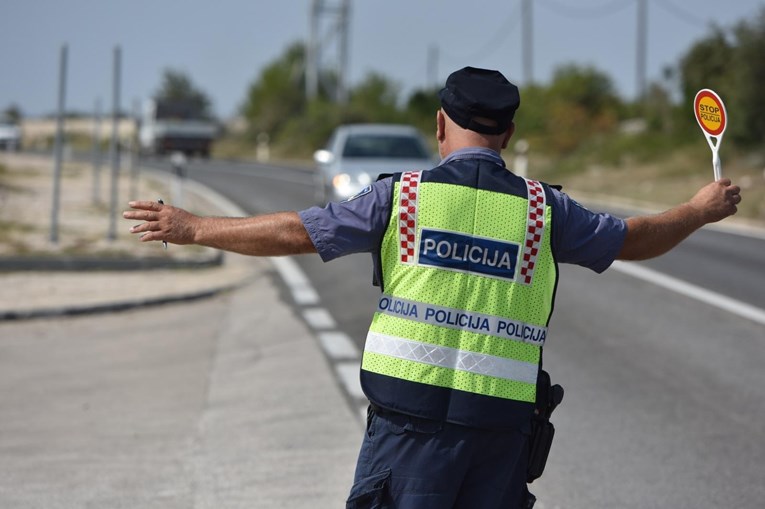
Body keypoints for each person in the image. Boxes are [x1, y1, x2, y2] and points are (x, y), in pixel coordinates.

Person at [123, 66, 742, 508]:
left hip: (408, 431)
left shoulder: (403, 197)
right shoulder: (544, 211)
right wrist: (698, 208)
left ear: (441, 124)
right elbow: (634, 239)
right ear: (507, 133)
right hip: (499, 435)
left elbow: (294, 232)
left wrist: (193, 226)